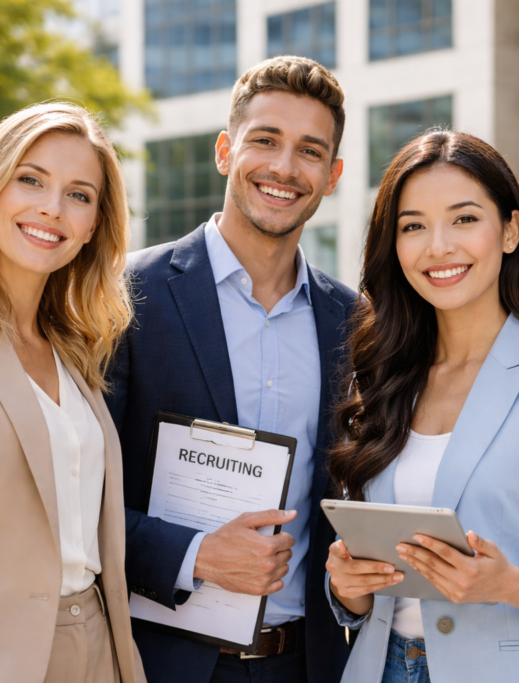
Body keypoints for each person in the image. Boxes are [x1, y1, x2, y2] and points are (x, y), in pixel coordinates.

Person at [323, 129, 519, 683]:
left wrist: (506, 584)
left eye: (465, 219)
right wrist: (346, 588)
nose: (438, 246)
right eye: (413, 226)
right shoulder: (380, 377)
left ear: (511, 229)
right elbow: (368, 584)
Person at [104, 56, 354, 683]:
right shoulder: (128, 293)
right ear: (225, 150)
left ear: (333, 176)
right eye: (264, 140)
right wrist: (194, 554)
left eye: (310, 151)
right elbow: (78, 493)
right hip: (160, 661)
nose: (283, 168)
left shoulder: (353, 321)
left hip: (305, 663)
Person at [0, 102, 143, 682]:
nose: (51, 208)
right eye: (31, 179)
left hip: (96, 650)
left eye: (79, 194)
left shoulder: (74, 349)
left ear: (93, 226)